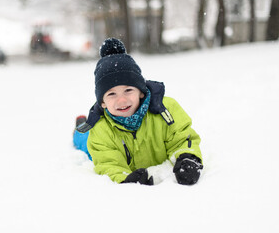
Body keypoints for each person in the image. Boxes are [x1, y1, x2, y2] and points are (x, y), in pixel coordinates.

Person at [74, 38, 203, 185]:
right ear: (102, 102)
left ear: (141, 92)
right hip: (97, 137)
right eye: (111, 94)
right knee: (84, 141)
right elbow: (108, 164)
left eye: (128, 90)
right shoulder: (99, 130)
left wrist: (187, 158)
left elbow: (181, 138)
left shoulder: (165, 110)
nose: (122, 100)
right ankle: (79, 127)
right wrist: (125, 179)